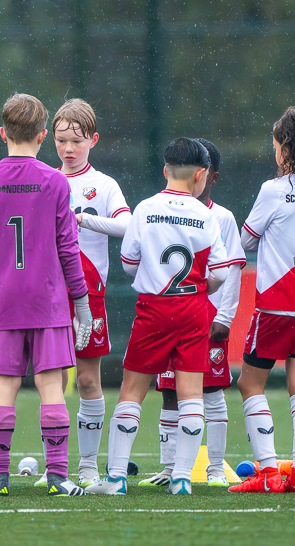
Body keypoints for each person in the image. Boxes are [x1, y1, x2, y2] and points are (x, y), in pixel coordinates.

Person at [0, 93, 93, 498]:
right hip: (47, 303)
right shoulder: (55, 181)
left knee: (3, 388)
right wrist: (83, 304)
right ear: (42, 135)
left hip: (3, 303)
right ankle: (58, 477)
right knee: (51, 387)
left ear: (3, 133)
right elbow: (68, 248)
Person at [87, 138, 231, 496]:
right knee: (191, 393)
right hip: (193, 309)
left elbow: (128, 262)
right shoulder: (206, 215)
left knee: (132, 389)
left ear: (166, 170)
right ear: (201, 175)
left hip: (154, 309)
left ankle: (116, 478)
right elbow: (221, 272)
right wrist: (202, 288)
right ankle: (182, 478)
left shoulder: (146, 208)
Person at [227, 108, 295, 494]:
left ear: (288, 147)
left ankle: (269, 472)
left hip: (275, 304)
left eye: (276, 145)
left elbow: (245, 241)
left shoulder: (273, 190)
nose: (274, 152)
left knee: (249, 384)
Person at [144, 137, 244, 489]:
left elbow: (232, 270)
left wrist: (224, 317)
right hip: (171, 316)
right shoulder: (163, 210)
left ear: (210, 177)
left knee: (211, 392)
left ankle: (214, 468)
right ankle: (169, 467)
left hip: (208, 318)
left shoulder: (222, 217)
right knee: (169, 391)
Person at [49, 99, 131, 487]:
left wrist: (82, 219)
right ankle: (55, 468)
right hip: (48, 291)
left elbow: (128, 226)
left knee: (86, 379)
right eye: (61, 140)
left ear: (93, 140)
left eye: (77, 141)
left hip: (88, 291)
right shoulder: (45, 180)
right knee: (49, 380)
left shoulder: (104, 185)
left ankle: (87, 466)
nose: (68, 149)